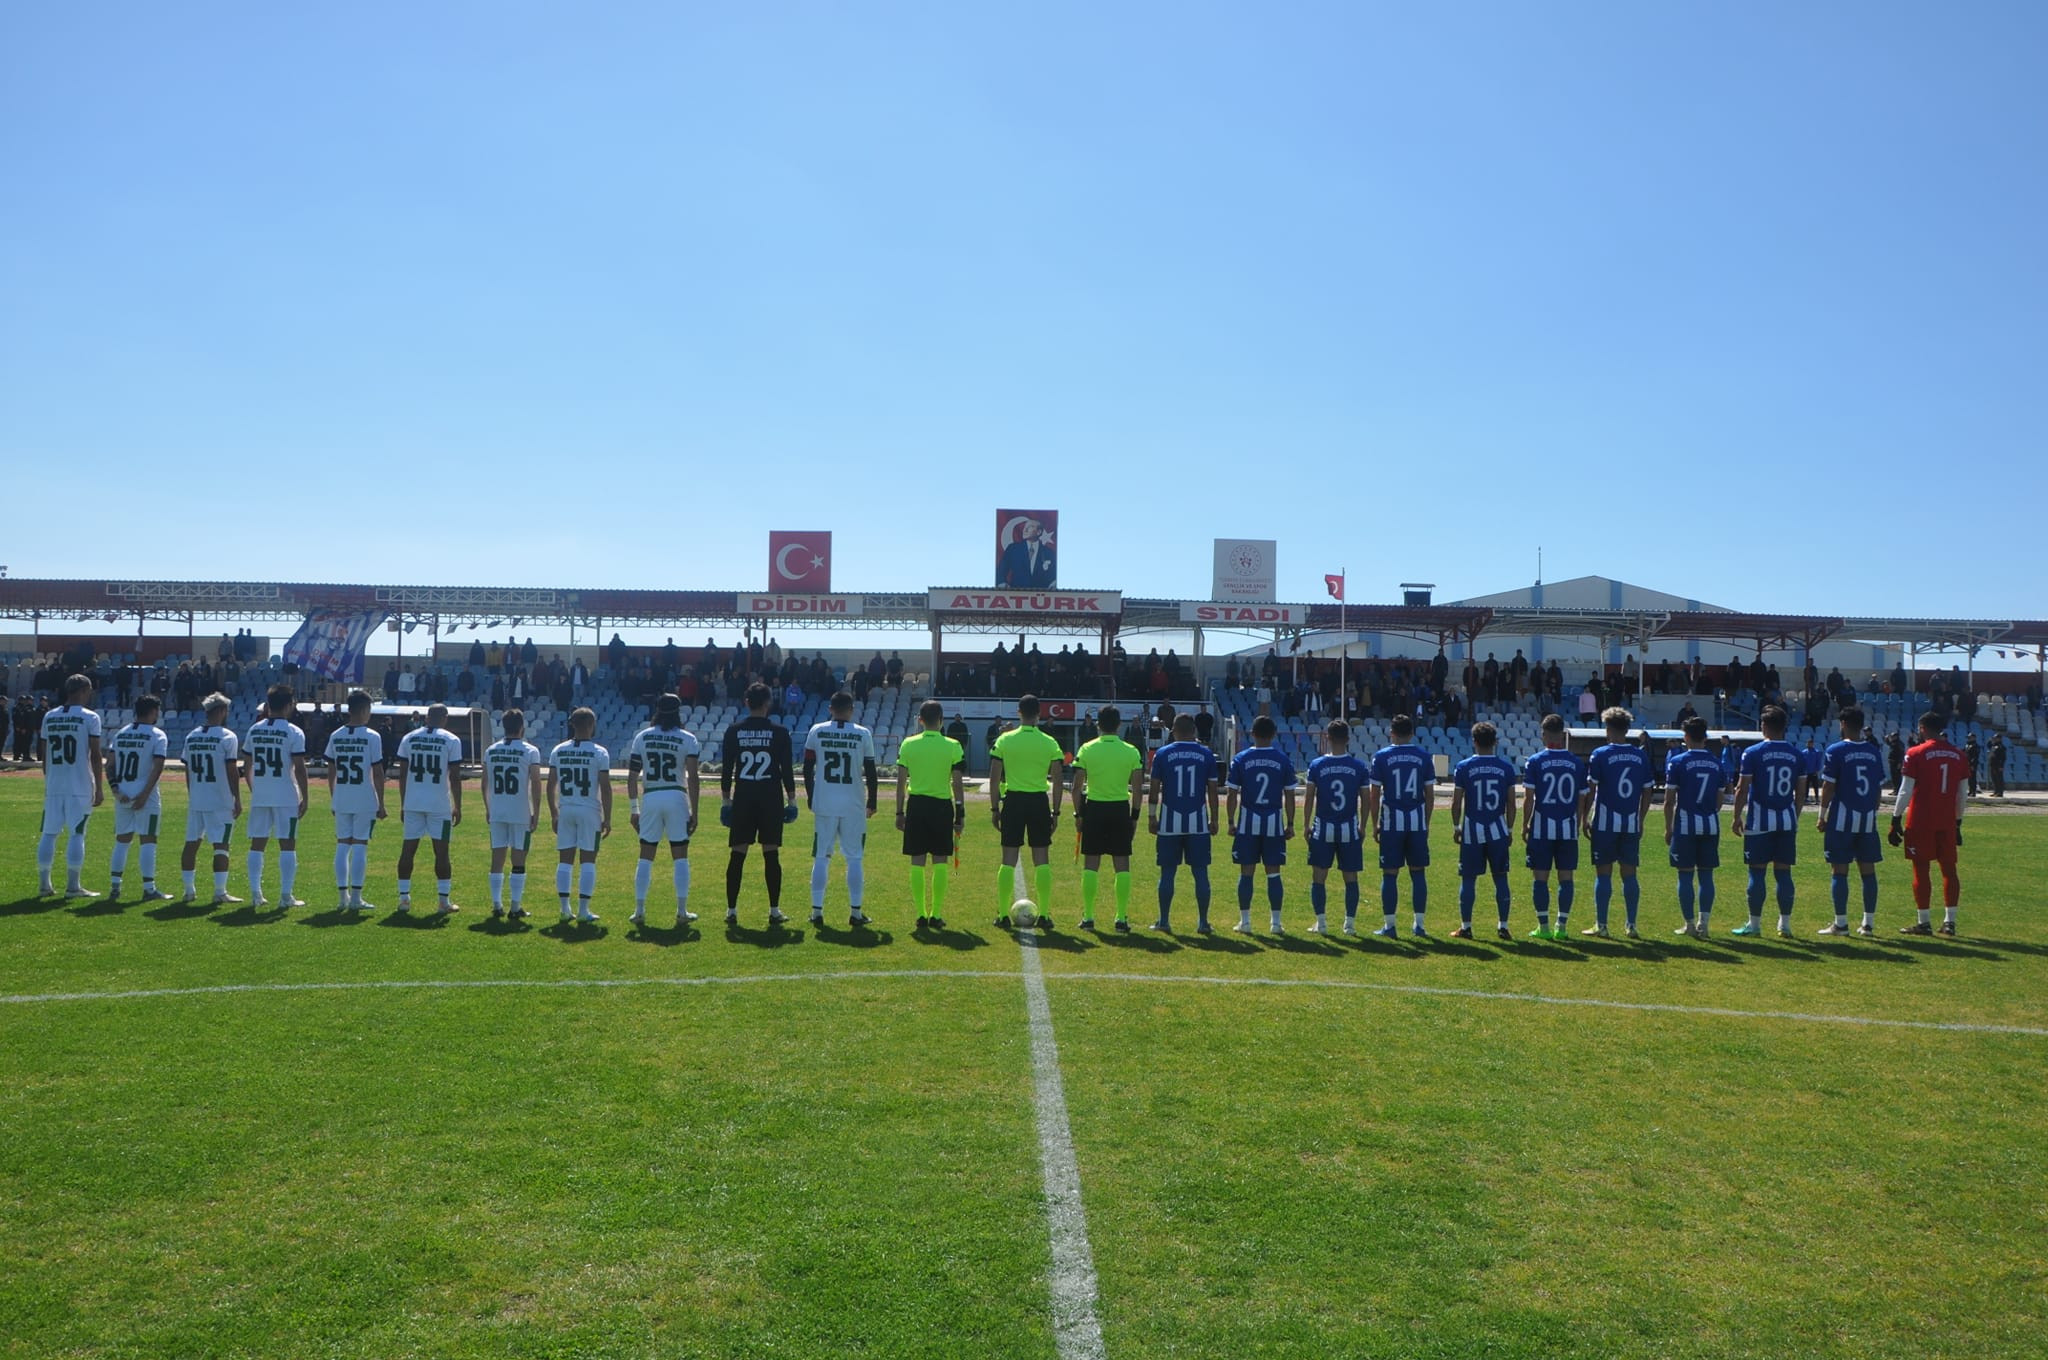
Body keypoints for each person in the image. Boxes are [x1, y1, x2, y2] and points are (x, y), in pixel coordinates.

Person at [721, 682, 797, 927]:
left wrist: (726, 801)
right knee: (771, 854)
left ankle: (731, 910)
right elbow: (786, 770)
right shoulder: (780, 732)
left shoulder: (733, 731)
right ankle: (774, 910)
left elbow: (727, 770)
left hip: (744, 797)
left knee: (737, 854)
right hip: (770, 798)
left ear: (746, 702)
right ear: (768, 703)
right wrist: (792, 799)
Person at [624, 695, 702, 928]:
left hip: (651, 796)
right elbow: (694, 778)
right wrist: (694, 811)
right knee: (680, 856)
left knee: (646, 855)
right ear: (679, 712)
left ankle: (639, 910)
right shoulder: (687, 739)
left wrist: (633, 809)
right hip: (676, 795)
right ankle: (681, 910)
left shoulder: (643, 736)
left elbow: (632, 776)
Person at [801, 691, 878, 928]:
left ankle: (817, 911)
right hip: (853, 803)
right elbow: (871, 771)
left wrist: (812, 796)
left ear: (830, 708)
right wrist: (872, 801)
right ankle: (855, 913)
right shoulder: (862, 733)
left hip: (825, 801)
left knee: (822, 857)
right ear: (851, 709)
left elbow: (807, 767)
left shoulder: (817, 730)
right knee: (854, 857)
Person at [990, 695, 1067, 928]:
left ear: (1018, 712)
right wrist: (1056, 812)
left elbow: (994, 779)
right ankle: (1043, 915)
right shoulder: (1049, 742)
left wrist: (995, 808)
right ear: (1040, 713)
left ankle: (1003, 915)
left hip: (1013, 801)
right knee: (1041, 859)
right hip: (1038, 802)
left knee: (1008, 859)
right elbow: (1058, 779)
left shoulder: (1004, 740)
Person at [1069, 706, 1147, 931]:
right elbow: (1138, 789)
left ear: (1097, 724)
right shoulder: (1131, 751)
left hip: (1094, 809)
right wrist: (1134, 817)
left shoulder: (1086, 749)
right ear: (1119, 725)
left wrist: (1079, 813)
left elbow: (1076, 788)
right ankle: (1121, 918)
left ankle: (1089, 917)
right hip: (1120, 810)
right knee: (1122, 864)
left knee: (1091, 864)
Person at [1891, 712, 1969, 936]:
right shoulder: (1959, 755)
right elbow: (1962, 794)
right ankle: (1949, 922)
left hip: (1921, 820)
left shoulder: (1915, 752)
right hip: (1946, 820)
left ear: (1923, 728)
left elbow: (1905, 789)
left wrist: (1895, 818)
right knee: (1949, 870)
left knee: (1921, 869)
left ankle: (1923, 922)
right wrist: (1957, 822)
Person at [1730, 705, 1805, 937]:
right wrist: (1795, 815)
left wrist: (1736, 817)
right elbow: (1801, 793)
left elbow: (1742, 789)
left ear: (1763, 726)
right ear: (1784, 727)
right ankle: (1785, 925)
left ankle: (1754, 925)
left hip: (1760, 821)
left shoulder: (1753, 753)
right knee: (1784, 873)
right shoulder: (1797, 754)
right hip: (1786, 819)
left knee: (1757, 873)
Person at [1146, 712, 1220, 933]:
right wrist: (1214, 818)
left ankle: (1164, 921)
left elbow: (1154, 789)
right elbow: (1213, 791)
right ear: (1194, 731)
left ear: (1173, 731)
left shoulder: (1162, 754)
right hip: (1198, 821)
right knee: (1201, 872)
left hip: (1170, 820)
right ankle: (1203, 922)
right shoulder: (1206, 754)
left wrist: (1152, 816)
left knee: (1167, 872)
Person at [1816, 705, 1886, 936]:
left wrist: (1822, 815)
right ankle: (1868, 924)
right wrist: (1872, 813)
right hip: (1867, 820)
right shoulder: (1873, 751)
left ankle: (1841, 923)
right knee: (1868, 872)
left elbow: (1828, 785)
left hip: (1842, 819)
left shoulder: (1836, 750)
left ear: (1843, 724)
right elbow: (1877, 788)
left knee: (1839, 871)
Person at [895, 700, 966, 930]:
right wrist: (960, 812)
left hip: (916, 805)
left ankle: (920, 914)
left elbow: (900, 782)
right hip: (941, 807)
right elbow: (957, 783)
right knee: (940, 860)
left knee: (917, 860)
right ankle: (936, 914)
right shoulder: (953, 745)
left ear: (920, 720)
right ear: (942, 720)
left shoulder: (908, 744)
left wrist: (899, 811)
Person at [1583, 707, 1653, 938]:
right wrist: (1640, 819)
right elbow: (1647, 792)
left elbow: (1592, 790)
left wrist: (1585, 817)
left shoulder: (1600, 754)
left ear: (1609, 729)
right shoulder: (1640, 755)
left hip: (1605, 824)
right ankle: (1631, 925)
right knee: (1629, 874)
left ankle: (1601, 925)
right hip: (1630, 823)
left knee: (1603, 874)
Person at [34, 675, 105, 900]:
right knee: (77, 834)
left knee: (49, 833)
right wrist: (99, 787)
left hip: (55, 783)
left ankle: (45, 884)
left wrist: (49, 778)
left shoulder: (50, 716)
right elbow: (95, 755)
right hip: (79, 783)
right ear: (83, 690)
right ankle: (73, 886)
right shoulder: (90, 717)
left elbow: (44, 753)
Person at [1363, 714, 1434, 938]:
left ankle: (1390, 926)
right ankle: (1419, 925)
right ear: (1412, 733)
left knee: (1390, 874)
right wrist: (1426, 822)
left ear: (1391, 733)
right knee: (1418, 873)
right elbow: (1429, 795)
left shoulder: (1382, 757)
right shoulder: (1423, 757)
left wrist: (1375, 824)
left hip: (1392, 822)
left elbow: (1374, 796)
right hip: (1416, 821)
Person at [1226, 713, 1296, 933]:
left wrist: (1230, 821)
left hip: (1248, 822)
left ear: (1252, 734)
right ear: (1274, 735)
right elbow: (1290, 796)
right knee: (1273, 872)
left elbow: (1231, 794)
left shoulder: (1241, 759)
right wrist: (1291, 823)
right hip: (1274, 822)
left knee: (1247, 872)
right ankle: (1275, 923)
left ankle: (1245, 922)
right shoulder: (1282, 760)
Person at [242, 683, 310, 909]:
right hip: (285, 796)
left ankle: (255, 894)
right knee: (288, 845)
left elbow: (247, 763)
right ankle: (285, 896)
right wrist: (306, 797)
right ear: (290, 705)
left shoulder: (255, 729)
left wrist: (254, 787)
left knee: (257, 844)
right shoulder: (294, 732)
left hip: (261, 794)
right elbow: (300, 768)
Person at [394, 702, 463, 914]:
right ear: (445, 718)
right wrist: (457, 805)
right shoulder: (451, 739)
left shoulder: (409, 738)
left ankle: (404, 899)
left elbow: (403, 774)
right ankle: (443, 901)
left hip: (414, 802)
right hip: (438, 804)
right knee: (441, 852)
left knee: (408, 850)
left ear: (426, 717)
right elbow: (455, 777)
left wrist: (404, 803)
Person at [1449, 721, 1517, 939]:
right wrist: (1509, 828)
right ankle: (1503, 926)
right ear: (1495, 742)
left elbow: (1456, 802)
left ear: (1474, 742)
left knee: (1468, 879)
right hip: (1497, 829)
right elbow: (1511, 803)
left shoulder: (1464, 767)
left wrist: (1456, 826)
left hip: (1472, 829)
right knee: (1501, 878)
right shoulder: (1506, 768)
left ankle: (1466, 927)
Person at [1521, 713, 1585, 939]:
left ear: (1545, 734)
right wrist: (1577, 822)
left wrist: (1524, 825)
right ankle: (1562, 927)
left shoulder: (1536, 761)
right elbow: (1581, 799)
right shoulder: (1576, 763)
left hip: (1542, 828)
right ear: (1563, 734)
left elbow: (1529, 798)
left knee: (1540, 878)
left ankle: (1544, 927)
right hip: (1568, 829)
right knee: (1566, 878)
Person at [1302, 720, 1369, 936]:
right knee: (1351, 878)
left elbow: (1309, 797)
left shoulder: (1317, 765)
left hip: (1323, 827)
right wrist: (1363, 825)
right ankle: (1349, 924)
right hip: (1349, 827)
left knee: (1319, 876)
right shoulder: (1358, 767)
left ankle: (1321, 923)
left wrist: (1305, 825)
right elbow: (1366, 799)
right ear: (1348, 740)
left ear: (1327, 738)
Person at [324, 689, 387, 913]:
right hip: (364, 797)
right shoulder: (372, 736)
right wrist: (382, 802)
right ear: (364, 710)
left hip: (342, 796)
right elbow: (377, 772)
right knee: (360, 845)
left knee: (342, 845)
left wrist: (334, 796)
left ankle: (343, 897)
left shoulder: (336, 735)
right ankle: (356, 898)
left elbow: (331, 770)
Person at [1663, 716, 1726, 936]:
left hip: (1686, 825)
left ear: (1686, 737)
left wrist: (1668, 827)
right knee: (1707, 876)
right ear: (1706, 737)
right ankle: (1704, 924)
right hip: (1710, 824)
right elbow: (1720, 801)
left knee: (1685, 875)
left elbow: (1669, 800)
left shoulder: (1678, 762)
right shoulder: (1717, 763)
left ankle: (1689, 924)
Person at [547, 707, 610, 923]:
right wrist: (607, 817)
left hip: (566, 808)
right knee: (588, 861)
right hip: (589, 810)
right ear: (591, 725)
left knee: (565, 861)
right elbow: (605, 787)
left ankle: (565, 909)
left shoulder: (558, 750)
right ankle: (584, 910)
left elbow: (550, 785)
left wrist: (554, 812)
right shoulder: (600, 752)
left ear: (572, 725)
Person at [178, 693, 241, 906]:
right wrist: (237, 798)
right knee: (221, 845)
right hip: (219, 799)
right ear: (222, 711)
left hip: (198, 798)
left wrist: (192, 792)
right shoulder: (227, 736)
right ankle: (219, 891)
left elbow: (187, 769)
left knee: (191, 843)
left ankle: (188, 891)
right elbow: (231, 770)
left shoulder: (191, 736)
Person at [105, 694, 168, 901]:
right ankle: (149, 889)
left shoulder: (121, 733)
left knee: (122, 842)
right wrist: (144, 795)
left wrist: (115, 790)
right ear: (153, 712)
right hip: (146, 797)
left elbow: (110, 765)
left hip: (122, 794)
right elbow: (157, 768)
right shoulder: (157, 735)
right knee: (148, 841)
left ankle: (115, 887)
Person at [481, 709, 544, 919]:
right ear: (522, 727)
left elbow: (485, 782)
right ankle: (515, 907)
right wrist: (536, 811)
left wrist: (488, 808)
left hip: (498, 810)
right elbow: (535, 782)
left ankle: (497, 904)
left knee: (497, 858)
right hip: (520, 811)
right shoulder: (530, 751)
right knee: (519, 859)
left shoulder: (491, 750)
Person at [997, 515, 1056, 588]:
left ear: (1039, 532)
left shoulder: (1048, 553)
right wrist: (1001, 582)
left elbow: (1053, 575)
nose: (1025, 529)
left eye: (1030, 527)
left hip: (1040, 596)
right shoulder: (1013, 549)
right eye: (1025, 527)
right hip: (1016, 594)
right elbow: (1001, 570)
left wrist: (1054, 582)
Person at [1988, 733, 2007, 798]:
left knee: (1999, 779)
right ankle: (1995, 791)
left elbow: (2003, 758)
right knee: (1994, 779)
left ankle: (2000, 792)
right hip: (1993, 765)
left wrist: (2001, 766)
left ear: (1999, 739)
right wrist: (1990, 741)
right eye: (1994, 738)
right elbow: (1988, 746)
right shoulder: (1994, 746)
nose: (1995, 739)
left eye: (1996, 738)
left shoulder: (2001, 747)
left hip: (1998, 765)